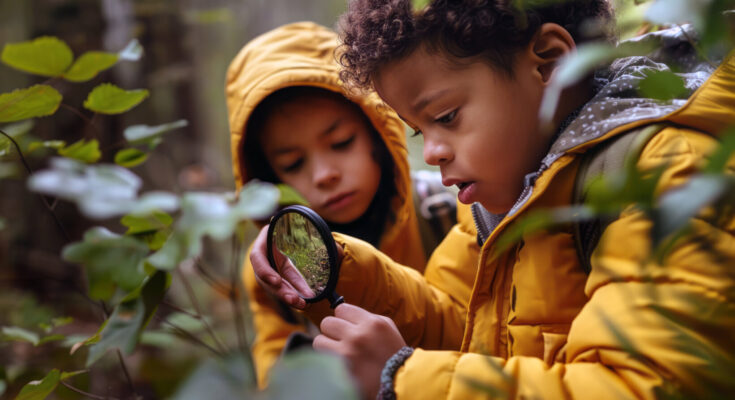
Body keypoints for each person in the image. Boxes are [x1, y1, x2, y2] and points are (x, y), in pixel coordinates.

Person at [249, 0, 735, 398]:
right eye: (420, 132)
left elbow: (642, 385)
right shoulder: (499, 201)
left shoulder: (662, 177)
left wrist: (404, 379)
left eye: (448, 115)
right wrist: (337, 267)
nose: (434, 151)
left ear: (549, 62)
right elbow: (460, 326)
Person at [225, 22, 478, 389]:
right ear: (270, 180)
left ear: (378, 134)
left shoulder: (446, 213)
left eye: (341, 142)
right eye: (293, 164)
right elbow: (277, 373)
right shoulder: (275, 267)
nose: (325, 174)